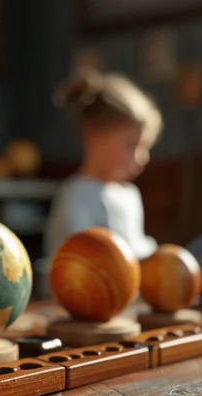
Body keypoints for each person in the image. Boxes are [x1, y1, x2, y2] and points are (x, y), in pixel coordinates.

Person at [44, 68, 162, 260]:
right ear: (94, 136)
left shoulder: (130, 196)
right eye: (131, 145)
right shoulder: (76, 196)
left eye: (145, 147)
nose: (143, 157)